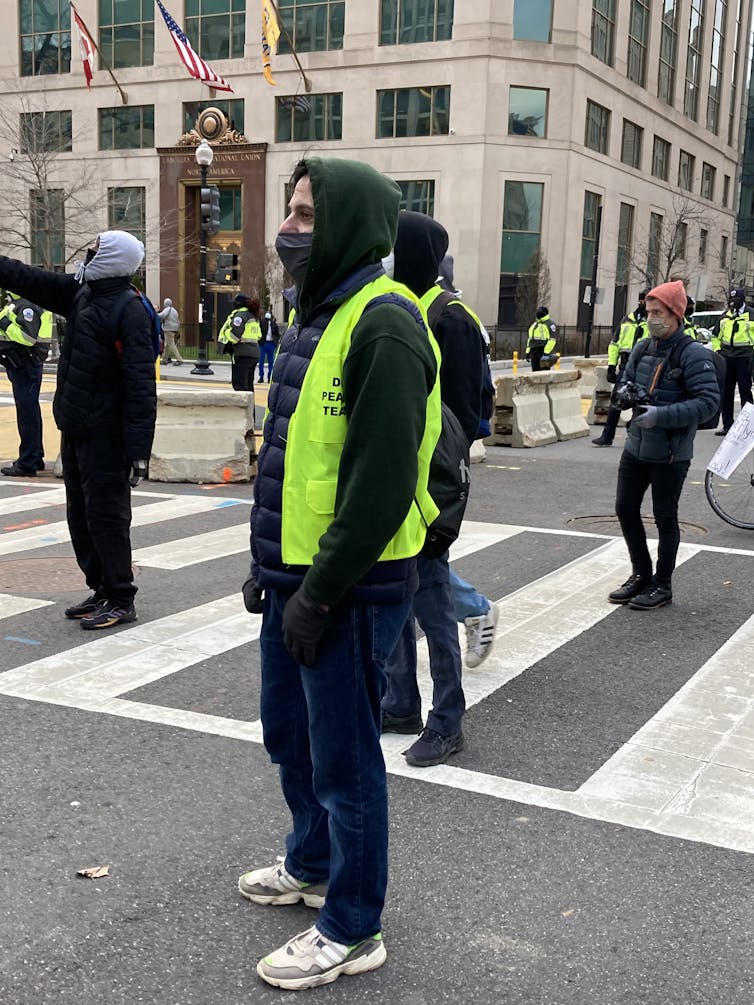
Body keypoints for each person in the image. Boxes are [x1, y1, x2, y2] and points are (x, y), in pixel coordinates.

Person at [237, 158, 441, 991]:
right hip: (298, 575)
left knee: (346, 756)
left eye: (308, 212)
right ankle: (312, 861)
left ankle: (355, 923)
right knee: (289, 733)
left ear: (351, 222)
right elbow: (293, 457)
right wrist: (268, 568)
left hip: (350, 586)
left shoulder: (383, 321)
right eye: (289, 210)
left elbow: (382, 480)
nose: (291, 226)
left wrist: (319, 591)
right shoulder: (313, 313)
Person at [0, 230, 157, 629]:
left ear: (114, 259)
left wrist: (139, 451)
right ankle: (101, 588)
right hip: (77, 427)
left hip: (108, 435)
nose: (87, 255)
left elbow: (141, 387)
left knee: (107, 516)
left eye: (95, 250)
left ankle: (121, 595)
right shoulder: (83, 294)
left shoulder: (130, 309)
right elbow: (29, 279)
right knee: (80, 514)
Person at [381, 210, 491, 767]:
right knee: (398, 599)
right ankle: (401, 702)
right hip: (398, 480)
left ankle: (447, 720)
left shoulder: (450, 318)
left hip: (433, 486)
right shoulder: (399, 308)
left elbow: (463, 415)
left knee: (431, 604)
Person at [608, 280, 719, 611]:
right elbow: (625, 382)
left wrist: (661, 415)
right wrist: (623, 395)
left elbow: (708, 403)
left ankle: (662, 584)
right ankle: (641, 575)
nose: (651, 317)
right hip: (636, 447)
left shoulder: (693, 354)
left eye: (657, 312)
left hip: (670, 453)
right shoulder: (643, 347)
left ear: (675, 314)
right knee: (625, 509)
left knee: (665, 517)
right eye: (648, 311)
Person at [0, 292, 52, 476]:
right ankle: (34, 456)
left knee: (27, 413)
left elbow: (27, 338)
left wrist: (5, 325)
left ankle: (28, 461)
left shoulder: (26, 305)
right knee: (29, 411)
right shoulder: (18, 303)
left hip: (25, 363)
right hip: (21, 364)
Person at [593, 289, 650, 447]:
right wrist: (612, 365)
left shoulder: (653, 321)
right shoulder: (627, 320)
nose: (643, 303)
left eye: (646, 300)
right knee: (617, 399)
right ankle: (607, 436)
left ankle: (635, 432)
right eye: (642, 300)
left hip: (644, 363)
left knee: (641, 400)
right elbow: (615, 344)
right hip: (626, 363)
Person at [710, 287, 753, 435]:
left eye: (737, 299)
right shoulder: (725, 316)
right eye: (732, 299)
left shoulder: (751, 314)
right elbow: (715, 336)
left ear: (743, 300)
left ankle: (747, 427)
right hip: (727, 358)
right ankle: (728, 425)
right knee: (726, 393)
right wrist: (718, 351)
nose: (734, 302)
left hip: (745, 358)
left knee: (745, 392)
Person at [218, 293, 261, 391]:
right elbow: (259, 336)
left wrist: (226, 331)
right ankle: (250, 406)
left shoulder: (240, 316)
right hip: (254, 354)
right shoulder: (253, 316)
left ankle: (243, 406)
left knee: (239, 386)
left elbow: (234, 337)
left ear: (237, 304)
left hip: (242, 354)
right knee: (249, 386)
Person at [526, 305, 557, 371]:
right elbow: (530, 339)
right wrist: (528, 351)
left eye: (540, 311)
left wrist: (546, 352)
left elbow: (552, 340)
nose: (538, 313)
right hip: (533, 350)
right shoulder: (535, 324)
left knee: (544, 372)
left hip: (543, 350)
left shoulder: (550, 324)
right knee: (535, 372)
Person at [158, 297, 183, 365]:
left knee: (171, 344)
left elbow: (162, 315)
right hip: (174, 329)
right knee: (167, 345)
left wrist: (155, 314)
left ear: (165, 304)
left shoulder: (167, 309)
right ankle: (165, 359)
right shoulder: (174, 310)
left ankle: (179, 359)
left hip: (168, 328)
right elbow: (177, 320)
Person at [257, 309, 279, 382]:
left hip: (271, 343)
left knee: (271, 362)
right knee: (261, 361)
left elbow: (277, 334)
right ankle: (261, 376)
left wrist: (275, 342)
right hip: (263, 343)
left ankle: (270, 377)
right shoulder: (262, 322)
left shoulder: (274, 324)